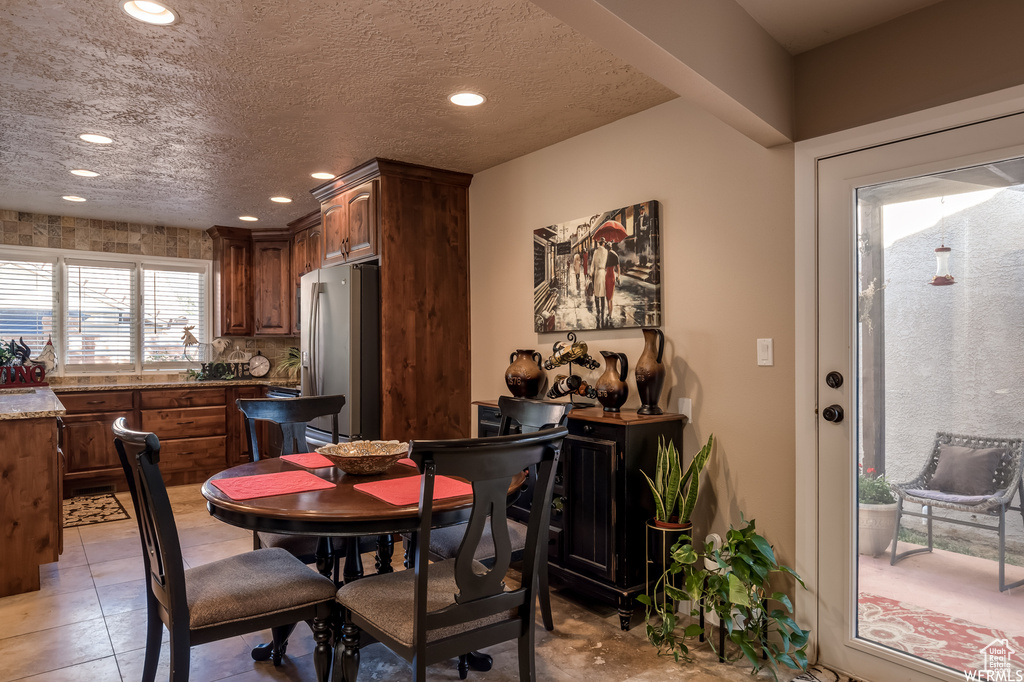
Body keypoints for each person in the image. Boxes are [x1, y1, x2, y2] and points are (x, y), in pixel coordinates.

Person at [589, 239, 609, 327]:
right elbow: (607, 263)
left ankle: (598, 311)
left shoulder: (596, 252)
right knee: (603, 293)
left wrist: (591, 273)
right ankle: (603, 311)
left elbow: (592, 264)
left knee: (597, 293)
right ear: (604, 243)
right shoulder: (606, 252)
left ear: (599, 243)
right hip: (603, 273)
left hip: (597, 273)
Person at [604, 244, 620, 325]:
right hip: (612, 276)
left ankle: (609, 312)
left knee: (608, 296)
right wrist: (619, 277)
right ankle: (610, 314)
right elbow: (618, 267)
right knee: (611, 297)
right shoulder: (615, 254)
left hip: (607, 276)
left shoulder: (606, 255)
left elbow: (604, 267)